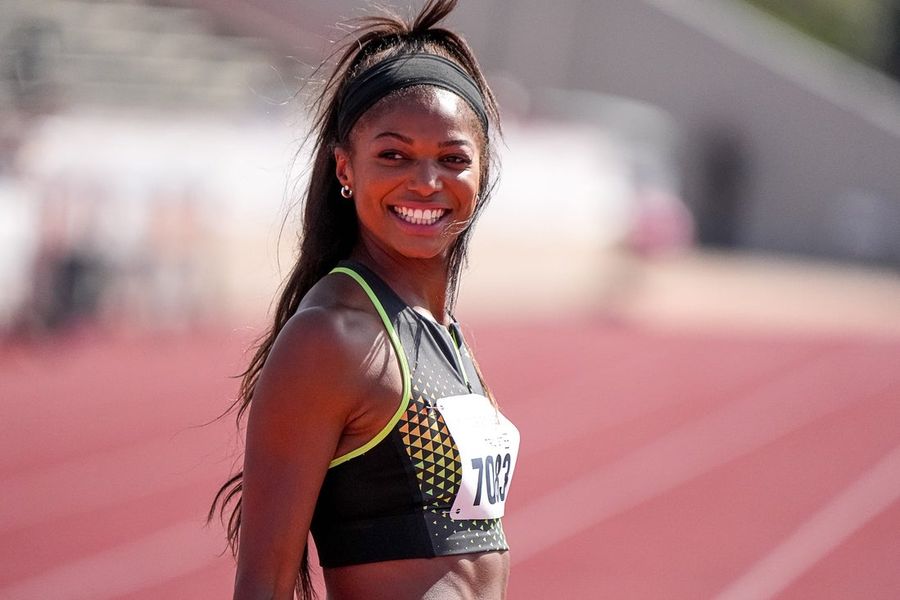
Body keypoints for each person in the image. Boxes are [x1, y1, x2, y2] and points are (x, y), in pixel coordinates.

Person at [209, 1, 520, 598]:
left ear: (482, 172)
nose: (426, 182)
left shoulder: (440, 331)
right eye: (393, 155)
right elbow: (264, 583)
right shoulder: (334, 335)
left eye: (453, 158)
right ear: (345, 168)